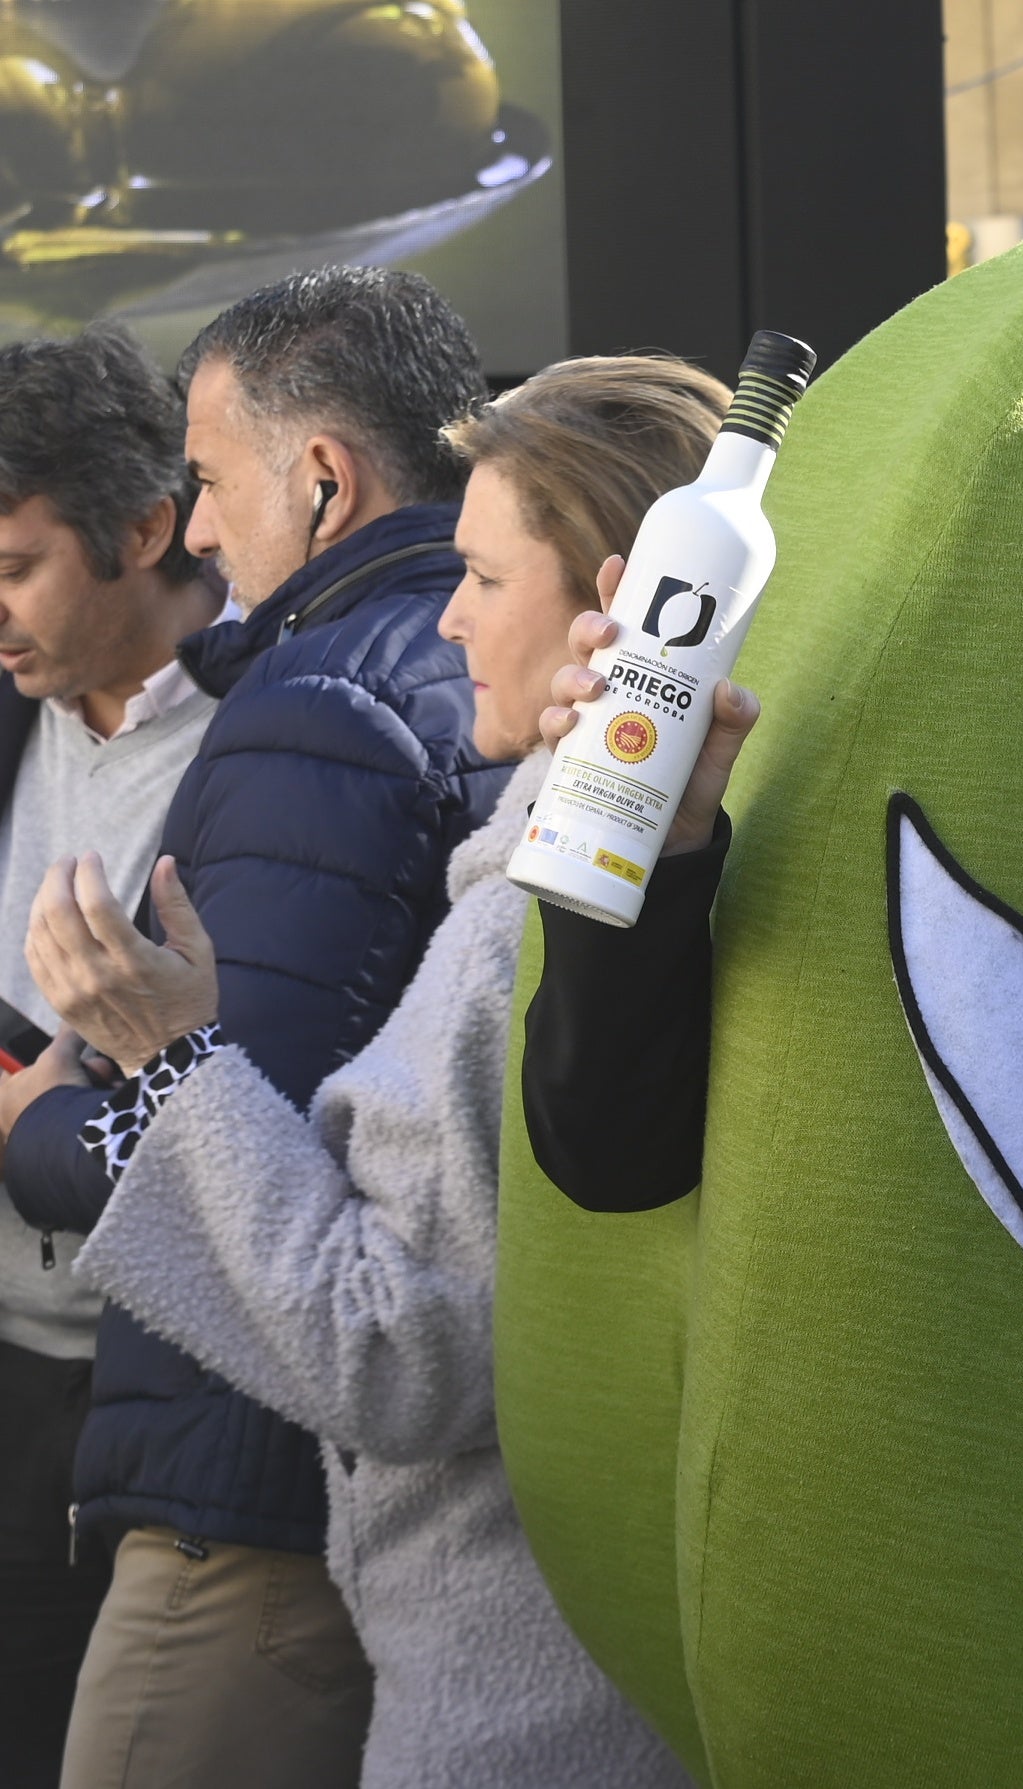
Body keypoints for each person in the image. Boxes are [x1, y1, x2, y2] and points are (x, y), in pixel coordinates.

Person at [21, 357, 725, 1787]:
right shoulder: (607, 881)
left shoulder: (538, 918)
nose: (450, 613)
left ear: (610, 603)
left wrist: (167, 1055)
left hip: (526, 1696)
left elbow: (395, 1351)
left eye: (477, 572)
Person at [0, 266, 508, 1789]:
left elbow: (246, 1141)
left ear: (327, 479)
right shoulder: (427, 695)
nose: (208, 529)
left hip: (252, 1464)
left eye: (210, 484)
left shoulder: (316, 705)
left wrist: (44, 1116)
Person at [0, 325, 225, 1789]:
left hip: (154, 1398)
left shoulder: (275, 726)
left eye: (17, 566)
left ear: (147, 528)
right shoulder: (18, 703)